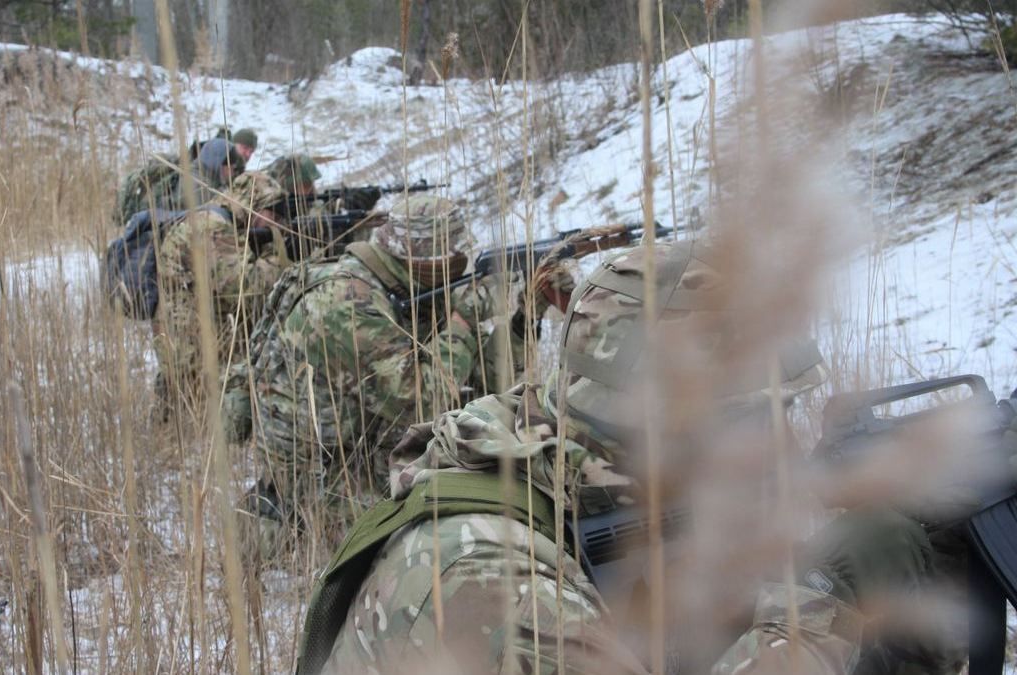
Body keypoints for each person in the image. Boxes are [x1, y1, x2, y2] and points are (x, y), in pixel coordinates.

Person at [293, 240, 945, 675]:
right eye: (763, 419)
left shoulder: (565, 478)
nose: (784, 449)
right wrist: (819, 611)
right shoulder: (485, 575)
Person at [241, 194, 572, 539]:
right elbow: (427, 400)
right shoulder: (346, 304)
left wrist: (527, 315)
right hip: (321, 478)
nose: (462, 262)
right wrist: (462, 323)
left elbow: (475, 383)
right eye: (454, 254)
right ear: (421, 255)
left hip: (368, 445)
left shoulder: (406, 287)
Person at [153, 170, 285, 420]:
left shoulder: (218, 219)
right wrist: (277, 255)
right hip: (190, 344)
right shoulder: (212, 226)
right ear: (251, 203)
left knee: (182, 407)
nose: (274, 221)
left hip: (189, 335)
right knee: (193, 415)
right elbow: (247, 291)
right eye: (270, 212)